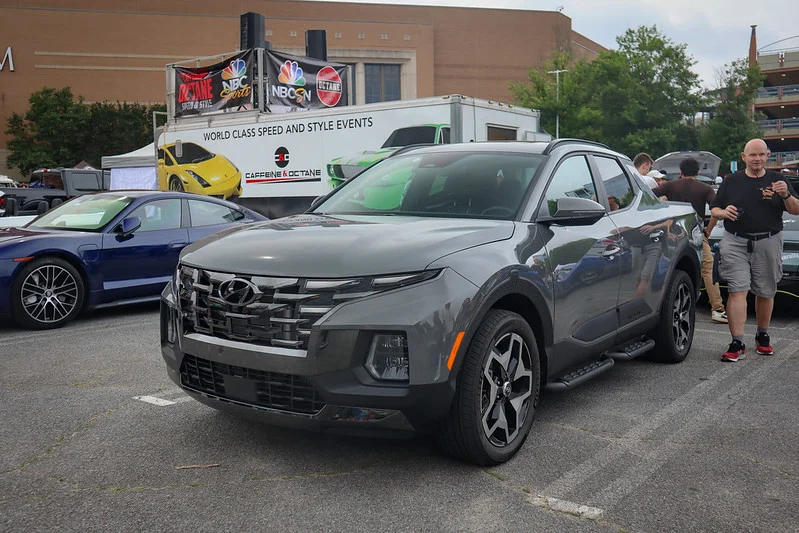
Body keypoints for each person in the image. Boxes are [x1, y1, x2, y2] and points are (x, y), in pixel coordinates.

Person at [710, 138, 799, 362]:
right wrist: (723, 212)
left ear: (767, 156)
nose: (757, 159)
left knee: (766, 291)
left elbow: (796, 210)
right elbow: (715, 209)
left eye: (761, 154)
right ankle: (737, 342)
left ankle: (762, 335)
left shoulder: (778, 179)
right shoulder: (732, 180)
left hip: (768, 240)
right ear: (744, 157)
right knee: (737, 290)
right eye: (752, 155)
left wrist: (786, 195)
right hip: (736, 240)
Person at [652, 157, 727, 323]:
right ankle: (717, 309)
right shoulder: (705, 188)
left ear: (681, 172)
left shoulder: (669, 185)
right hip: (695, 233)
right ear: (698, 172)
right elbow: (716, 211)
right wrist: (708, 230)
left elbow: (650, 198)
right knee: (707, 267)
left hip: (673, 233)